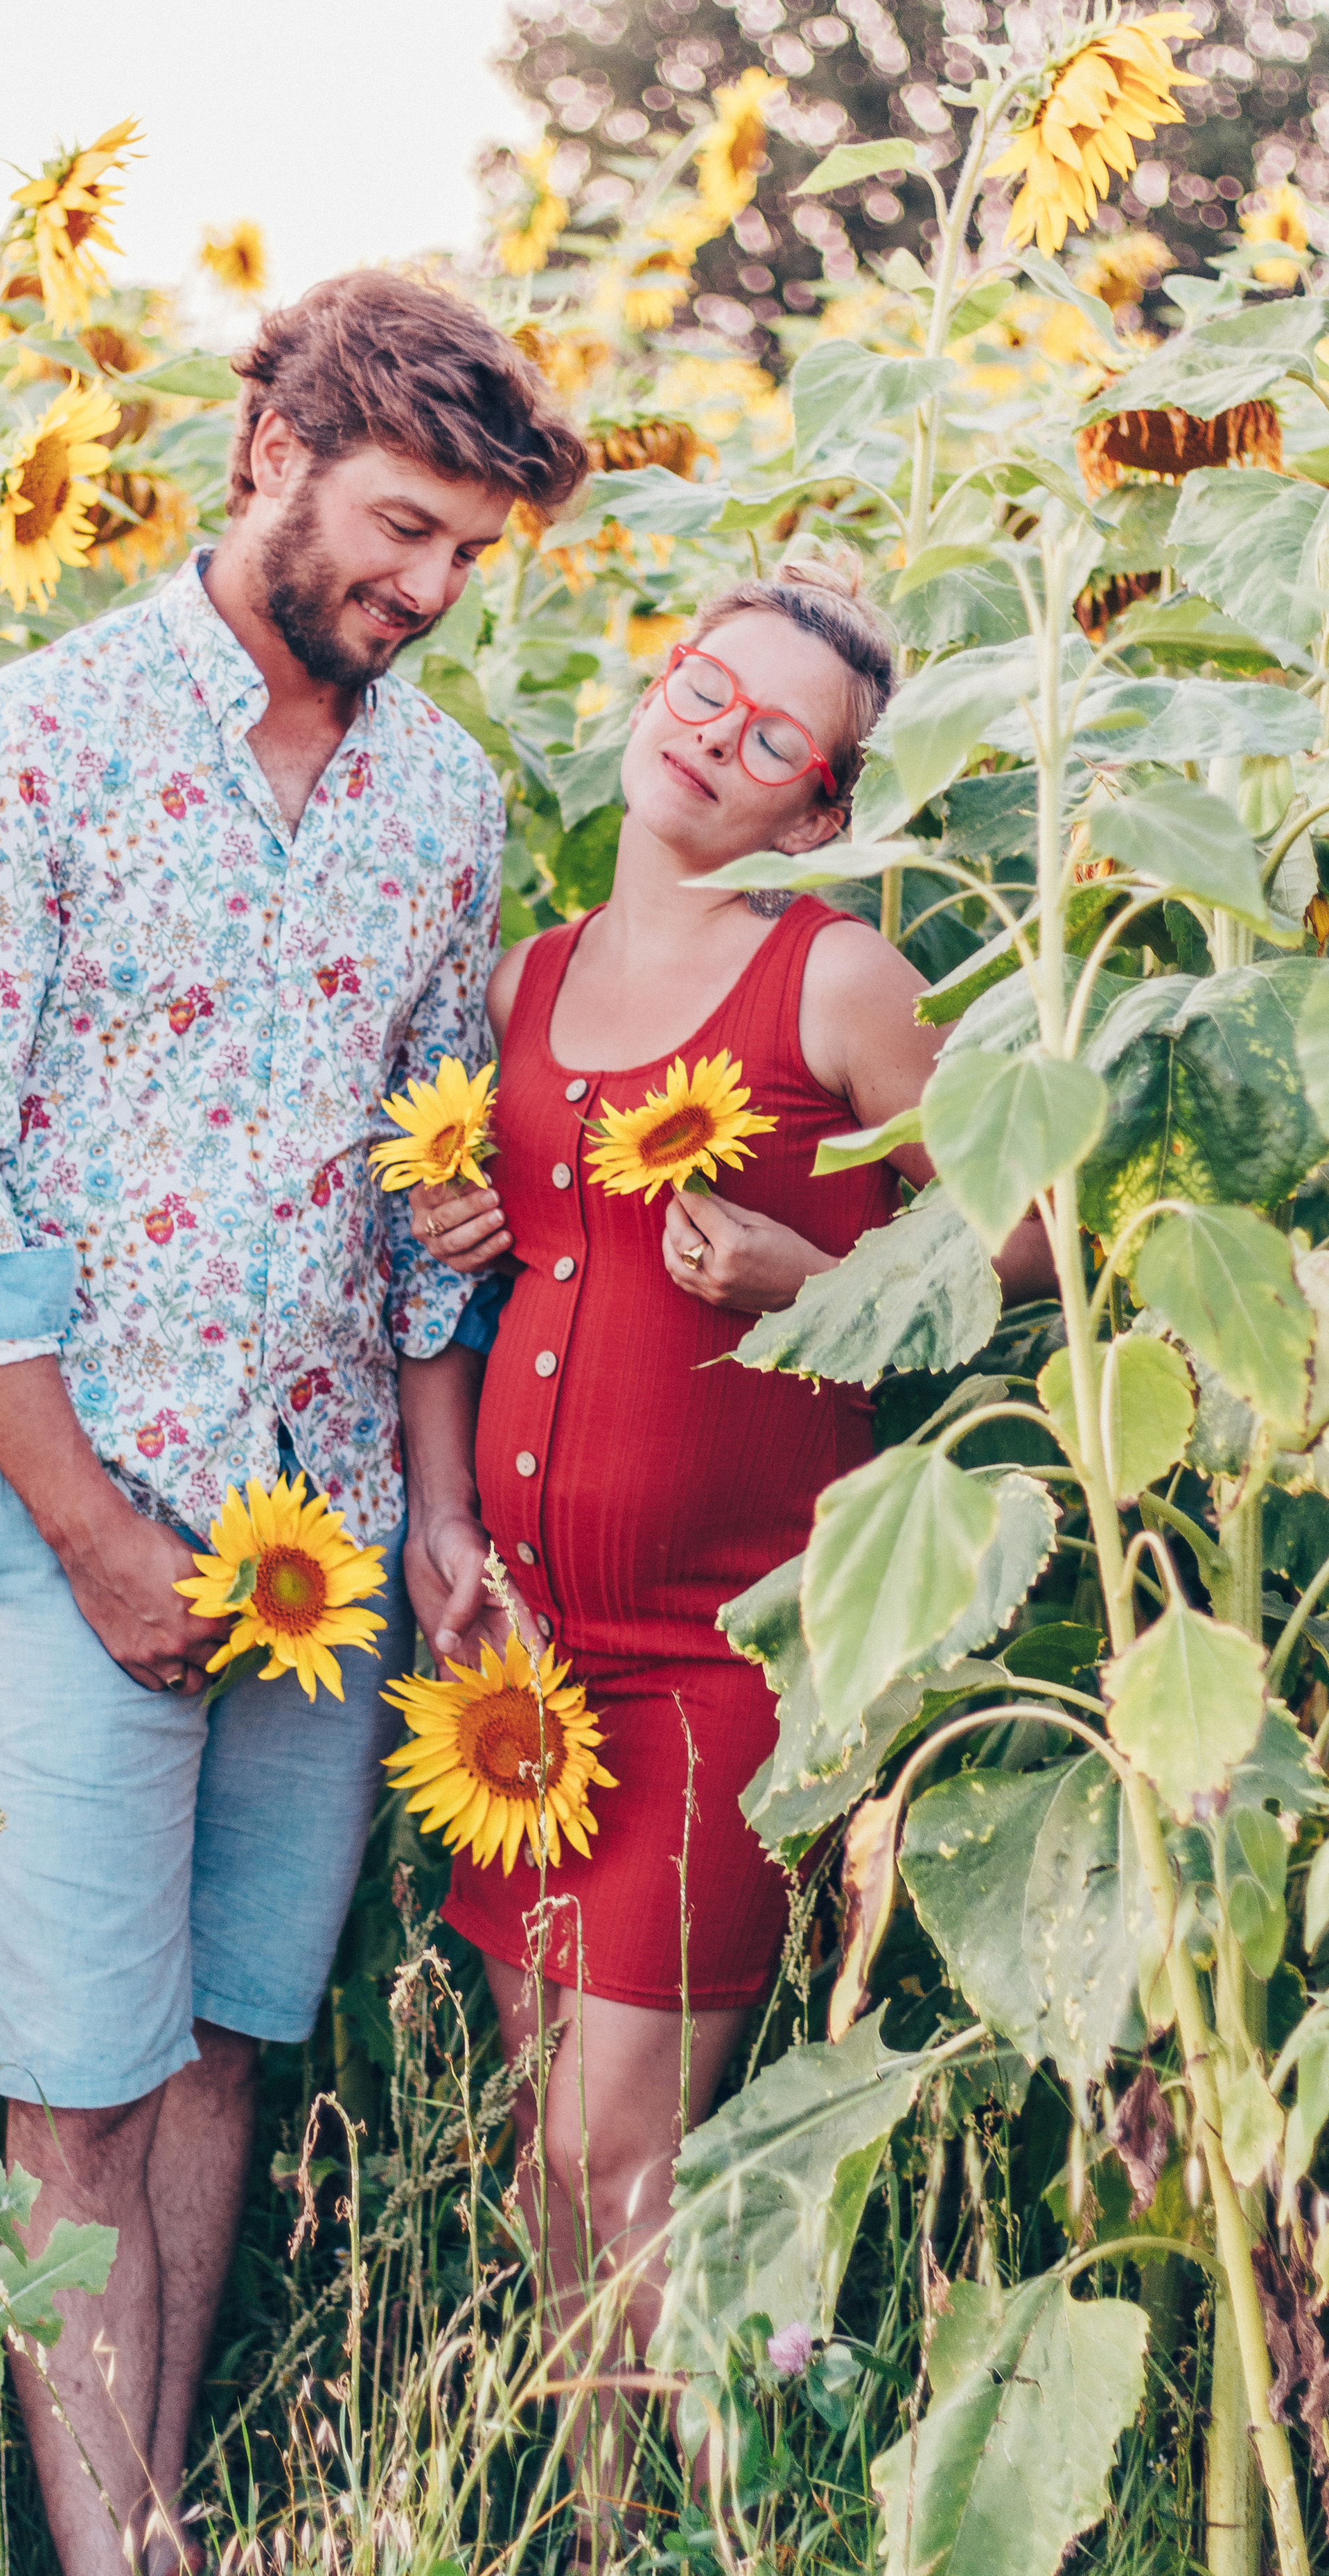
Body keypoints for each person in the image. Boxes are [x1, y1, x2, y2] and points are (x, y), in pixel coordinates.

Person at [0, 270, 586, 2576]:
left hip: (335, 1527)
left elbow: (424, 1194)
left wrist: (446, 1506)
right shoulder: (36, 741)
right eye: (404, 527)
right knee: (74, 2075)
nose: (432, 589)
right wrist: (85, 1528)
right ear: (273, 452)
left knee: (218, 2045)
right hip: (85, 1503)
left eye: (471, 553)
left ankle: (150, 2516)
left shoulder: (444, 793)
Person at [411, 559, 1056, 2543]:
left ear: (823, 807)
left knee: (626, 2157)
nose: (715, 732)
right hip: (519, 1656)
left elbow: (1029, 1239)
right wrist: (440, 1516)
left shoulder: (835, 980)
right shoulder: (523, 978)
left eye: (776, 734)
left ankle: (689, 2525)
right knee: (548, 2150)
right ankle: (637, 2515)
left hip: (719, 1647)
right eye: (707, 688)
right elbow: (476, 1281)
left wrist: (820, 1267)